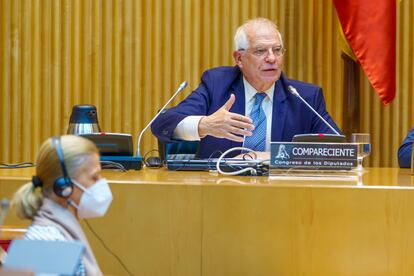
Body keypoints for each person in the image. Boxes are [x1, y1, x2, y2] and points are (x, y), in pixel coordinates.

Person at [151, 18, 340, 158]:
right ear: (239, 59)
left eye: (277, 50)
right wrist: (205, 125)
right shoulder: (217, 85)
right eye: (260, 51)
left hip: (283, 196)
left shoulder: (304, 97)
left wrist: (271, 156)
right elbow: (162, 124)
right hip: (219, 193)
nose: (272, 58)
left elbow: (338, 150)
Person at [11, 135, 112, 276]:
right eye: (94, 177)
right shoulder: (46, 244)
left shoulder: (58, 231)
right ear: (64, 186)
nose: (101, 183)